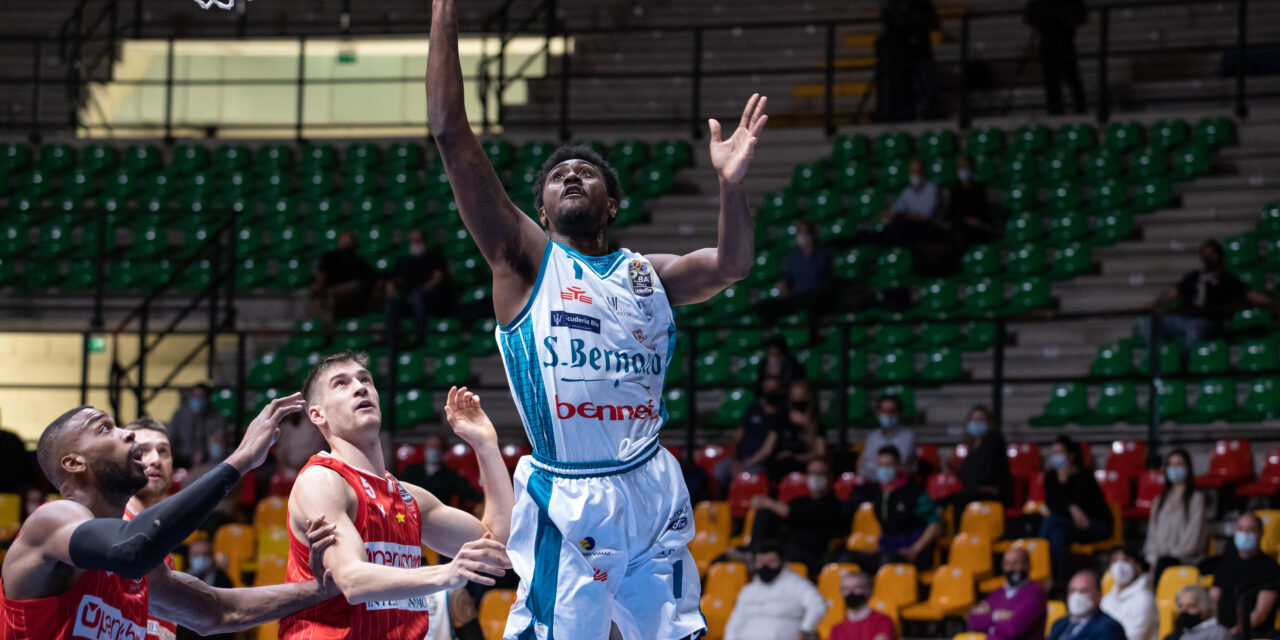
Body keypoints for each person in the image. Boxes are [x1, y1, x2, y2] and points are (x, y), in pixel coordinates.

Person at [429, 0, 766, 632]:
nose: (572, 176)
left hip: (649, 483)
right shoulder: (525, 260)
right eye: (558, 177)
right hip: (568, 492)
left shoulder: (648, 274)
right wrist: (445, 13)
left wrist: (731, 184)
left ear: (612, 205)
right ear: (543, 210)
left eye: (586, 172)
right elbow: (451, 133)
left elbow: (731, 266)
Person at [0, 396, 338, 640]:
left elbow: (219, 612)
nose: (128, 434)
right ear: (73, 463)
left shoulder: (145, 574)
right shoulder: (53, 520)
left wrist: (322, 589)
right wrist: (240, 460)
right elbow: (131, 549)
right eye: (105, 429)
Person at [281, 353, 514, 640]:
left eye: (364, 379)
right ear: (318, 414)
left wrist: (486, 446)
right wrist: (445, 574)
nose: (360, 387)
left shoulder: (408, 497)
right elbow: (352, 581)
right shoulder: (322, 480)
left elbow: (499, 548)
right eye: (341, 384)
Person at [1140, 239, 1277, 354]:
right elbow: (1173, 292)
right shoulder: (1194, 276)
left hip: (1206, 320)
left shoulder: (1227, 278)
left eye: (1212, 254)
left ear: (1220, 255)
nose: (1209, 258)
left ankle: (1182, 366)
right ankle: (1158, 359)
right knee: (1149, 321)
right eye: (1205, 254)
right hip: (1182, 317)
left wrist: (1273, 304)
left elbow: (1250, 294)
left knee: (1194, 332)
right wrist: (1154, 303)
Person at [121, 417, 181, 640]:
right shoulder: (110, 530)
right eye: (142, 451)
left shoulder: (163, 536)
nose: (156, 460)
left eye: (163, 451)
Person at [845, 446, 940, 572]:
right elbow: (888, 527)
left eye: (889, 464)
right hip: (887, 550)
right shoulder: (879, 492)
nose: (884, 469)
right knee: (847, 559)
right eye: (881, 465)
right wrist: (878, 548)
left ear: (898, 466)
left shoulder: (914, 493)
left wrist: (915, 549)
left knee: (887, 563)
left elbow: (934, 524)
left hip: (911, 551)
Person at [749, 459, 848, 578]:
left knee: (789, 554)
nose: (815, 478)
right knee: (765, 512)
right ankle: (754, 553)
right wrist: (763, 504)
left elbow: (797, 514)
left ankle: (765, 559)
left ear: (830, 477)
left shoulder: (833, 503)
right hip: (787, 547)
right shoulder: (800, 501)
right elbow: (785, 513)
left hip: (812, 553)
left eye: (820, 473)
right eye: (812, 473)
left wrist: (768, 502)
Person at [1040, 435, 1112, 590]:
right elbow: (1052, 505)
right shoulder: (1052, 477)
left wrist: (1066, 489)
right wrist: (1071, 506)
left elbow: (1090, 509)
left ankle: (1042, 569)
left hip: (1094, 525)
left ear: (1071, 455)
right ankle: (1058, 582)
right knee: (1056, 534)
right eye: (1054, 453)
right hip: (1068, 527)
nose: (1056, 456)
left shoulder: (1085, 475)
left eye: (1060, 452)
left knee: (1052, 521)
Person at [723, 541, 827, 640]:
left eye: (771, 561)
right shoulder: (749, 590)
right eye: (761, 562)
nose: (765, 566)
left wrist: (805, 629)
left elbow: (817, 605)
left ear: (782, 562)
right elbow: (735, 622)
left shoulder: (796, 584)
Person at [1206, 512, 1280, 638]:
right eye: (1240, 529)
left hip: (1252, 631)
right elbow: (1212, 599)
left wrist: (1235, 631)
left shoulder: (1271, 568)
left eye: (1250, 529)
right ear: (1235, 532)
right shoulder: (1225, 563)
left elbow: (1261, 613)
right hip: (1221, 629)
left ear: (1260, 534)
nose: (1244, 534)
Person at [1144, 448, 1207, 581]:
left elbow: (1193, 539)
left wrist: (1169, 555)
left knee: (1164, 565)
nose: (1174, 468)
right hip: (1159, 560)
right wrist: (1154, 558)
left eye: (1179, 464)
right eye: (1171, 465)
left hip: (1185, 559)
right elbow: (1152, 536)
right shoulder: (1159, 501)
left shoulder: (1196, 499)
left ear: (1188, 468)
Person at [715, 377, 786, 492]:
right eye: (768, 388)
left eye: (774, 388)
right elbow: (735, 438)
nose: (771, 391)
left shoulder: (781, 416)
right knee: (720, 470)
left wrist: (746, 465)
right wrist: (735, 462)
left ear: (781, 390)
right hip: (739, 459)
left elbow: (766, 450)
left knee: (750, 476)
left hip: (759, 463)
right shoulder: (753, 410)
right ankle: (724, 503)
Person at [384, 229, 452, 344]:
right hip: (409, 300)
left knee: (417, 296)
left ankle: (419, 335)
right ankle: (394, 337)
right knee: (390, 304)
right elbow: (396, 279)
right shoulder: (405, 260)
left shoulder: (434, 257)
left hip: (430, 299)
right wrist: (392, 285)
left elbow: (437, 278)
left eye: (418, 240)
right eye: (412, 240)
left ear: (425, 241)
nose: (415, 243)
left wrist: (420, 291)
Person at [759, 221, 833, 326]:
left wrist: (809, 253)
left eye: (804, 233)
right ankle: (774, 334)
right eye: (799, 233)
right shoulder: (794, 254)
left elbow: (816, 273)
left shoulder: (822, 253)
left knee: (813, 301)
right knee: (764, 306)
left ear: (812, 235)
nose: (801, 236)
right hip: (797, 296)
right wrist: (784, 284)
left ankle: (812, 336)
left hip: (816, 296)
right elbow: (787, 275)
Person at [876, 0, 940, 120]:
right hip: (902, 54)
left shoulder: (922, 5)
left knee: (928, 84)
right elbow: (888, 25)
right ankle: (905, 113)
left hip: (921, 51)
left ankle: (931, 112)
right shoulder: (894, 6)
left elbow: (934, 23)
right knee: (904, 86)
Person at [857, 159, 943, 249]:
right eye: (912, 171)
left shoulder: (932, 189)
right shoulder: (907, 191)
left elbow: (925, 216)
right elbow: (894, 210)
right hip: (908, 227)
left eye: (918, 171)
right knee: (883, 228)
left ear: (924, 172)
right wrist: (882, 216)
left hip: (927, 228)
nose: (915, 174)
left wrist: (901, 216)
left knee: (899, 224)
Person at [967, 547, 1048, 640]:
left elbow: (1014, 628)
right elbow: (973, 622)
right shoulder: (997, 593)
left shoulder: (1036, 593)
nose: (1011, 568)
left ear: (1027, 565)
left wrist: (989, 622)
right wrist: (996, 615)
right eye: (1007, 564)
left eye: (1016, 563)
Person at [1024, 0, 1088, 115]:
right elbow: (1028, 17)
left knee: (1071, 76)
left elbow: (1081, 16)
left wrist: (1065, 18)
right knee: (1052, 79)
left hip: (1064, 41)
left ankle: (1079, 108)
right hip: (1048, 41)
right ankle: (1056, 110)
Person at [311, 231, 376, 330]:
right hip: (329, 296)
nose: (346, 243)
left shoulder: (359, 262)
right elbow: (321, 278)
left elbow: (365, 282)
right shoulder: (330, 257)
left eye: (349, 241)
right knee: (321, 302)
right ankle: (325, 331)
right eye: (344, 241)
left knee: (349, 287)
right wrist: (318, 288)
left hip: (350, 297)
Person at [398, 433, 483, 509]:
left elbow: (472, 494)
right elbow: (399, 492)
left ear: (443, 450)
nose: (433, 449)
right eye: (430, 446)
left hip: (438, 520)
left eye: (437, 446)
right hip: (413, 515)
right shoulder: (411, 471)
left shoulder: (451, 475)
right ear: (425, 448)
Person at [953, 405, 1013, 508]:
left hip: (990, 492)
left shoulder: (992, 441)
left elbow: (985, 473)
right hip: (975, 490)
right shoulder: (973, 445)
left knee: (956, 502)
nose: (976, 422)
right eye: (973, 419)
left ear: (988, 422)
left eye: (980, 419)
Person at [1100, 546, 1158, 640]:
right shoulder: (1107, 599)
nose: (1119, 565)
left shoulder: (1145, 598)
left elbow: (1134, 636)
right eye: (1115, 560)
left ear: (1138, 566)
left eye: (1125, 560)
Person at [1048, 570, 1125, 640]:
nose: (1076, 596)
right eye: (1072, 591)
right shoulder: (1059, 624)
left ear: (1099, 594)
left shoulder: (1110, 627)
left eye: (1083, 591)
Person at [167, 383, 227, 467]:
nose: (197, 399)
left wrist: (204, 452)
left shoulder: (217, 418)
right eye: (195, 396)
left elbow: (217, 440)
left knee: (217, 448)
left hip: (205, 458)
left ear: (208, 398)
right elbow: (172, 438)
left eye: (201, 396)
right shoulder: (179, 415)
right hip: (181, 456)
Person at [858, 396, 915, 479]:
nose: (888, 415)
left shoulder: (908, 436)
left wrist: (880, 466)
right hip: (875, 482)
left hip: (901, 483)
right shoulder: (872, 436)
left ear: (899, 413)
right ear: (878, 413)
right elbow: (865, 464)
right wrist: (884, 467)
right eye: (884, 411)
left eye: (892, 411)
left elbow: (900, 463)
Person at [830, 570, 895, 640]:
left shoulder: (882, 621)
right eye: (846, 588)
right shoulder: (836, 630)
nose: (851, 592)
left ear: (867, 590)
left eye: (857, 587)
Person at [945, 156, 994, 247]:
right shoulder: (955, 189)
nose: (964, 169)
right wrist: (966, 220)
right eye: (961, 167)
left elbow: (983, 209)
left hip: (979, 224)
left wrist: (978, 221)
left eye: (966, 166)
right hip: (961, 224)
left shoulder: (979, 187)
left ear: (972, 168)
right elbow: (954, 211)